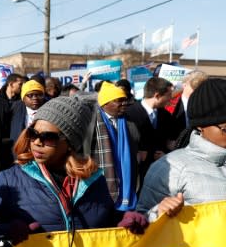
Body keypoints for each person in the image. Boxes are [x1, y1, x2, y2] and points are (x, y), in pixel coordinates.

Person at [0, 96, 145, 242]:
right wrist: (6, 231)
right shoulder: (8, 180)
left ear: (70, 143)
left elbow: (105, 221)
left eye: (48, 137)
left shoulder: (94, 179)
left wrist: (123, 219)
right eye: (33, 134)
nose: (37, 142)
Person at [137, 79, 226, 222]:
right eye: (225, 129)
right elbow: (139, 225)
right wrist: (158, 212)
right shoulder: (171, 167)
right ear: (200, 126)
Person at [89, 81, 140, 213]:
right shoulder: (91, 122)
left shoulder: (129, 121)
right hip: (100, 181)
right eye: (119, 101)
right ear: (105, 103)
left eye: (125, 100)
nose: (124, 103)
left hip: (126, 178)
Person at [126, 77, 174, 185]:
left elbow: (168, 140)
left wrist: (165, 153)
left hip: (161, 172)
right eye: (168, 95)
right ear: (157, 95)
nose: (171, 98)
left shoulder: (166, 116)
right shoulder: (130, 114)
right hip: (137, 175)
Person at [9, 79, 47, 145]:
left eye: (39, 95)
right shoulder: (13, 109)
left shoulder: (50, 109)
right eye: (30, 95)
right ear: (23, 98)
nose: (35, 98)